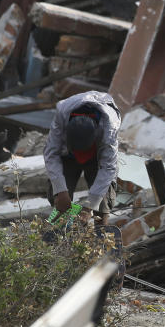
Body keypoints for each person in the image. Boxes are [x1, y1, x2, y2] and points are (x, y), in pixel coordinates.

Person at [43, 91, 121, 227]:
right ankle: (59, 234)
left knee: (102, 204)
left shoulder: (109, 129)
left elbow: (108, 168)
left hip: (96, 156)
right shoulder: (62, 115)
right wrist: (61, 191)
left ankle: (101, 234)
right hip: (68, 156)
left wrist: (89, 207)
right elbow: (51, 153)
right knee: (60, 199)